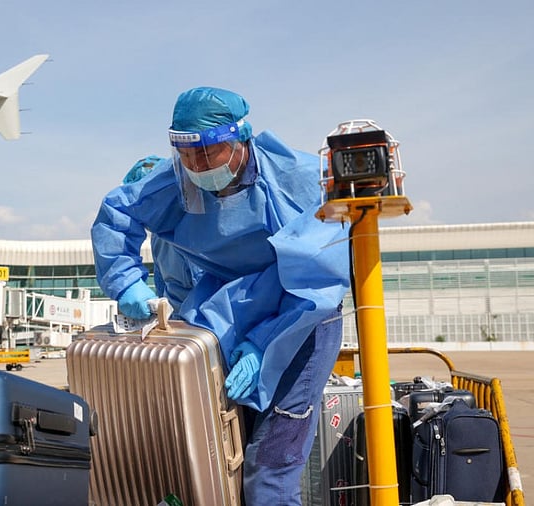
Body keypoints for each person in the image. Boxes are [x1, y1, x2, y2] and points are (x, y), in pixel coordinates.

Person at [91, 87, 350, 505]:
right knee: (215, 457)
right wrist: (126, 282)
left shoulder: (299, 181)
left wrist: (261, 343)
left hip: (302, 323)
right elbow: (118, 213)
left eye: (208, 153)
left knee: (269, 473)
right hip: (227, 317)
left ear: (241, 138)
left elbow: (315, 282)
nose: (196, 166)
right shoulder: (180, 179)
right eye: (186, 154)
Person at [121, 155, 203, 309]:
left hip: (203, 320)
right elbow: (161, 284)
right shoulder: (158, 235)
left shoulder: (193, 224)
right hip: (184, 319)